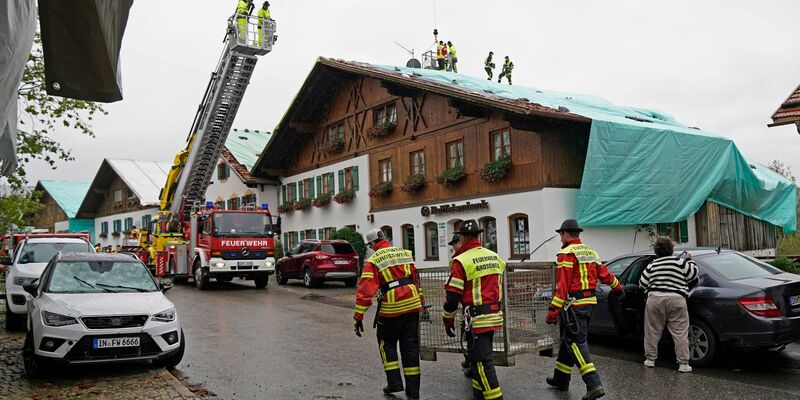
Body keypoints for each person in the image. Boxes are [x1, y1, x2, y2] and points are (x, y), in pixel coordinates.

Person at [545, 219, 623, 400]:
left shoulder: (566, 253)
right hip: (589, 304)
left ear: (565, 234)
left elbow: (562, 286)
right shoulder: (590, 251)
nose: (560, 239)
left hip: (574, 306)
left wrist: (553, 312)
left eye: (560, 235)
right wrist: (618, 287)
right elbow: (605, 274)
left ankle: (593, 384)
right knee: (568, 341)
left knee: (576, 344)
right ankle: (561, 379)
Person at [353, 229, 422, 399]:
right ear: (385, 239)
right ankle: (413, 392)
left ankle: (394, 383)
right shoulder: (405, 253)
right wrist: (422, 302)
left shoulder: (374, 260)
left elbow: (365, 292)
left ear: (372, 244)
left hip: (392, 307)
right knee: (410, 347)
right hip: (413, 305)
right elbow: (415, 279)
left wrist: (358, 317)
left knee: (387, 343)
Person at [443, 219, 505, 400]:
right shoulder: (494, 256)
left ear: (461, 237)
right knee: (479, 361)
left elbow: (453, 296)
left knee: (482, 362)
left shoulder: (461, 261)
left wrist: (448, 319)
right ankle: (479, 395)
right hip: (494, 315)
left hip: (477, 319)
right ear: (479, 235)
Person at [639, 237, 698, 373]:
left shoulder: (652, 265)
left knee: (652, 331)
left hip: (655, 300)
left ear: (656, 251)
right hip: (676, 299)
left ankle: (650, 360)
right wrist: (690, 260)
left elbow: (642, 283)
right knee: (680, 332)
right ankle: (683, 363)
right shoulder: (680, 262)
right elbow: (693, 275)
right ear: (672, 249)